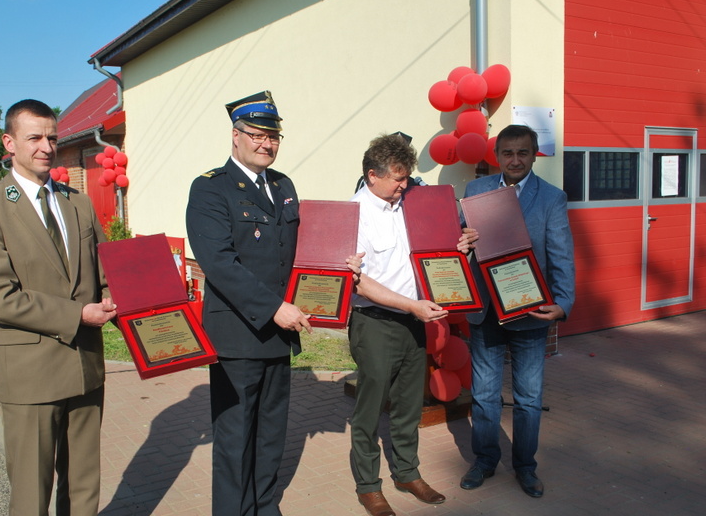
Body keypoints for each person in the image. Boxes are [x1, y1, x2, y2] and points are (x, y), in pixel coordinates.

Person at [185, 90, 360, 516]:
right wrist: (274, 308)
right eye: (257, 135)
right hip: (238, 334)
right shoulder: (210, 188)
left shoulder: (283, 185)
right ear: (236, 135)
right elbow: (219, 263)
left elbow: (300, 252)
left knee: (270, 433)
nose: (267, 144)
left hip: (279, 335)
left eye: (273, 137)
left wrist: (339, 266)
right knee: (234, 437)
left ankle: (264, 506)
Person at [0, 99, 117, 516]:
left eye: (52, 137)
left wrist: (127, 299)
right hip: (31, 377)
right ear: (9, 143)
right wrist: (77, 315)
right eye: (34, 138)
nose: (46, 147)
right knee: (31, 497)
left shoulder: (78, 203)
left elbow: (105, 272)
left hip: (85, 368)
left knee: (83, 491)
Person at [349, 133, 476, 516]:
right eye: (398, 178)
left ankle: (407, 473)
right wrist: (411, 306)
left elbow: (432, 253)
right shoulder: (353, 214)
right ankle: (368, 486)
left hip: (414, 321)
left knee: (408, 406)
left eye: (407, 177)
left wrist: (458, 249)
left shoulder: (412, 204)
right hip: (374, 323)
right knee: (370, 409)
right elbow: (360, 283)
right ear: (372, 175)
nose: (405, 185)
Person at [459, 124, 575, 498]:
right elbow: (456, 240)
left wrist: (563, 303)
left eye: (522, 152)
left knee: (528, 398)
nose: (514, 160)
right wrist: (462, 241)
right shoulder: (476, 191)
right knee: (484, 394)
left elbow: (561, 254)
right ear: (497, 156)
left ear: (534, 154)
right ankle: (485, 460)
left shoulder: (552, 198)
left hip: (530, 311)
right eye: (507, 153)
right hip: (485, 311)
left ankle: (525, 466)